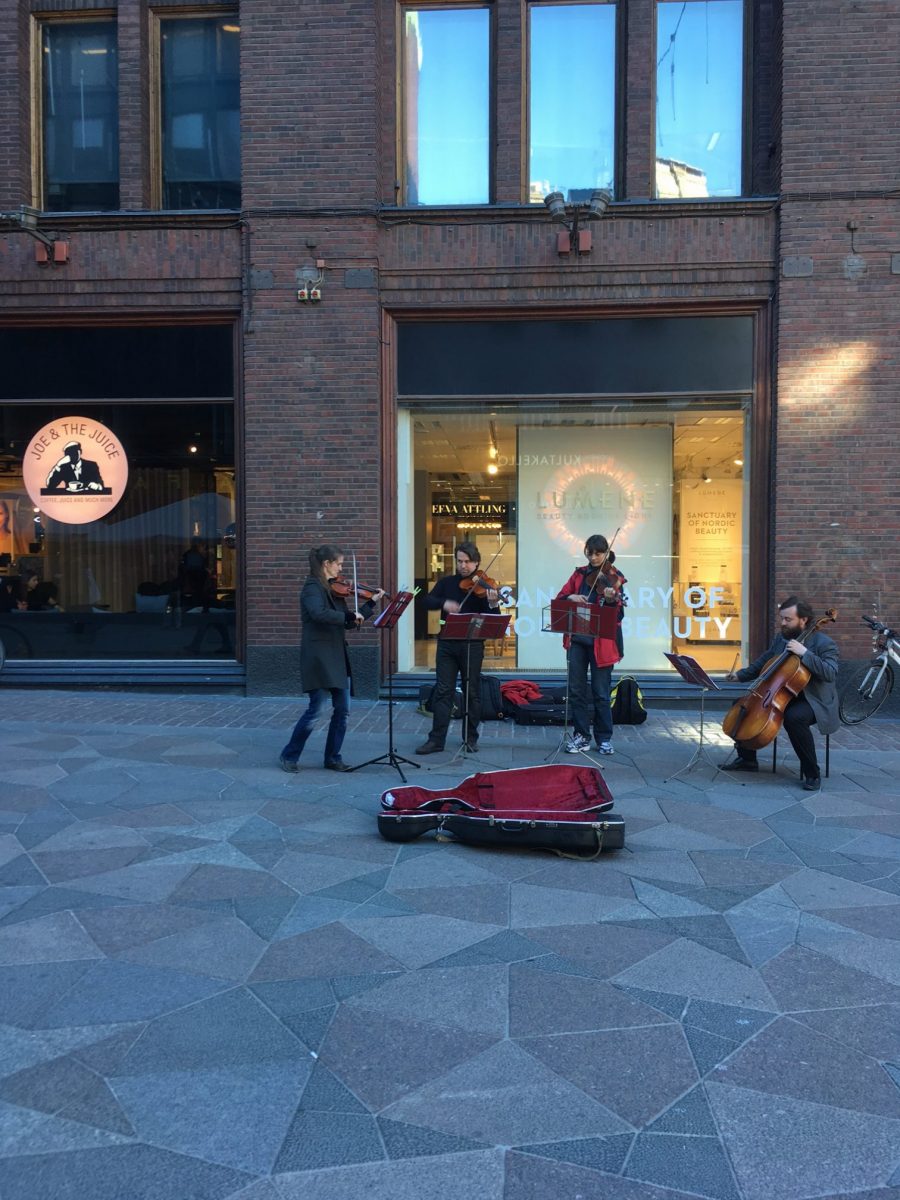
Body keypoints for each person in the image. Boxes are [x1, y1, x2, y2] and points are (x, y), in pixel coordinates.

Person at [279, 544, 384, 774]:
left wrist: (371, 604)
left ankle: (333, 757)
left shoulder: (334, 589)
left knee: (343, 710)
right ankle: (289, 754)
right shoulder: (312, 588)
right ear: (327, 564)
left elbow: (348, 621)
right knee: (316, 709)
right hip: (318, 656)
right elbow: (319, 614)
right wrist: (348, 614)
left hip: (337, 655)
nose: (341, 569)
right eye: (339, 564)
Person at [722, 596, 838, 791]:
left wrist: (805, 653)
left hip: (813, 699)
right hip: (781, 693)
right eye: (782, 618)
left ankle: (812, 773)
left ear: (804, 620)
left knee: (795, 718)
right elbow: (765, 661)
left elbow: (830, 672)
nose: (783, 623)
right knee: (742, 704)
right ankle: (747, 759)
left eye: (788, 619)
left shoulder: (824, 643)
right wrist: (739, 676)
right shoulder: (781, 638)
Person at [416, 541, 500, 755]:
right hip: (447, 644)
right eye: (460, 561)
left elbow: (495, 619)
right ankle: (436, 740)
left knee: (472, 691)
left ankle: (470, 738)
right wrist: (443, 603)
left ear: (477, 562)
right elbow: (426, 601)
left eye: (468, 562)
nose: (463, 566)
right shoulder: (447, 583)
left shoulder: (483, 587)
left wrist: (492, 603)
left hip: (472, 645)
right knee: (443, 691)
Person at [555, 534, 627, 755]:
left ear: (606, 553)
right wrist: (571, 598)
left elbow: (619, 615)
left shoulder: (614, 577)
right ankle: (581, 736)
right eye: (590, 553)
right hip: (577, 639)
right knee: (576, 690)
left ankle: (604, 738)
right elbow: (560, 598)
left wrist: (612, 600)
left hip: (602, 643)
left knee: (601, 692)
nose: (594, 557)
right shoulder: (579, 574)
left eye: (598, 553)